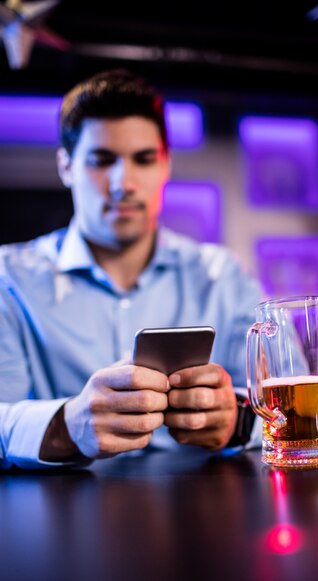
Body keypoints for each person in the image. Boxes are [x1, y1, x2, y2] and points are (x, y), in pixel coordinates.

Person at [0, 68, 263, 470]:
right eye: (102, 160)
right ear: (66, 166)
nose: (124, 183)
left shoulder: (222, 276)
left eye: (143, 159)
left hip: (204, 521)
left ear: (166, 165)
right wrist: (66, 427)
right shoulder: (8, 280)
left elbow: (300, 415)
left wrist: (239, 421)